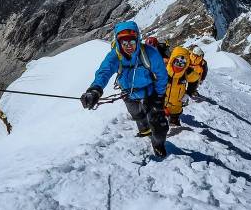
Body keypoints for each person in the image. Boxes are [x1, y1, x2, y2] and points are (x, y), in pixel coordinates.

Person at [81, 21, 170, 157]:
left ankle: (158, 144)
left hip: (150, 92)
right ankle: (145, 130)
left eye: (132, 42)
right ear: (118, 42)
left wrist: (159, 96)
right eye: (124, 43)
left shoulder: (150, 53)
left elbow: (162, 76)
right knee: (137, 115)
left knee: (160, 126)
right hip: (129, 93)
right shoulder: (115, 56)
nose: (128, 46)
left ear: (137, 40)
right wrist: (95, 89)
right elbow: (104, 72)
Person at [163, 46, 192, 127]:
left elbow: (195, 80)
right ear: (172, 59)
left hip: (177, 106)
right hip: (162, 104)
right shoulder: (163, 68)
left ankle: (174, 120)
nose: (179, 65)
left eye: (182, 63)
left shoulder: (187, 72)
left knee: (176, 127)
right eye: (177, 61)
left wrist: (188, 93)